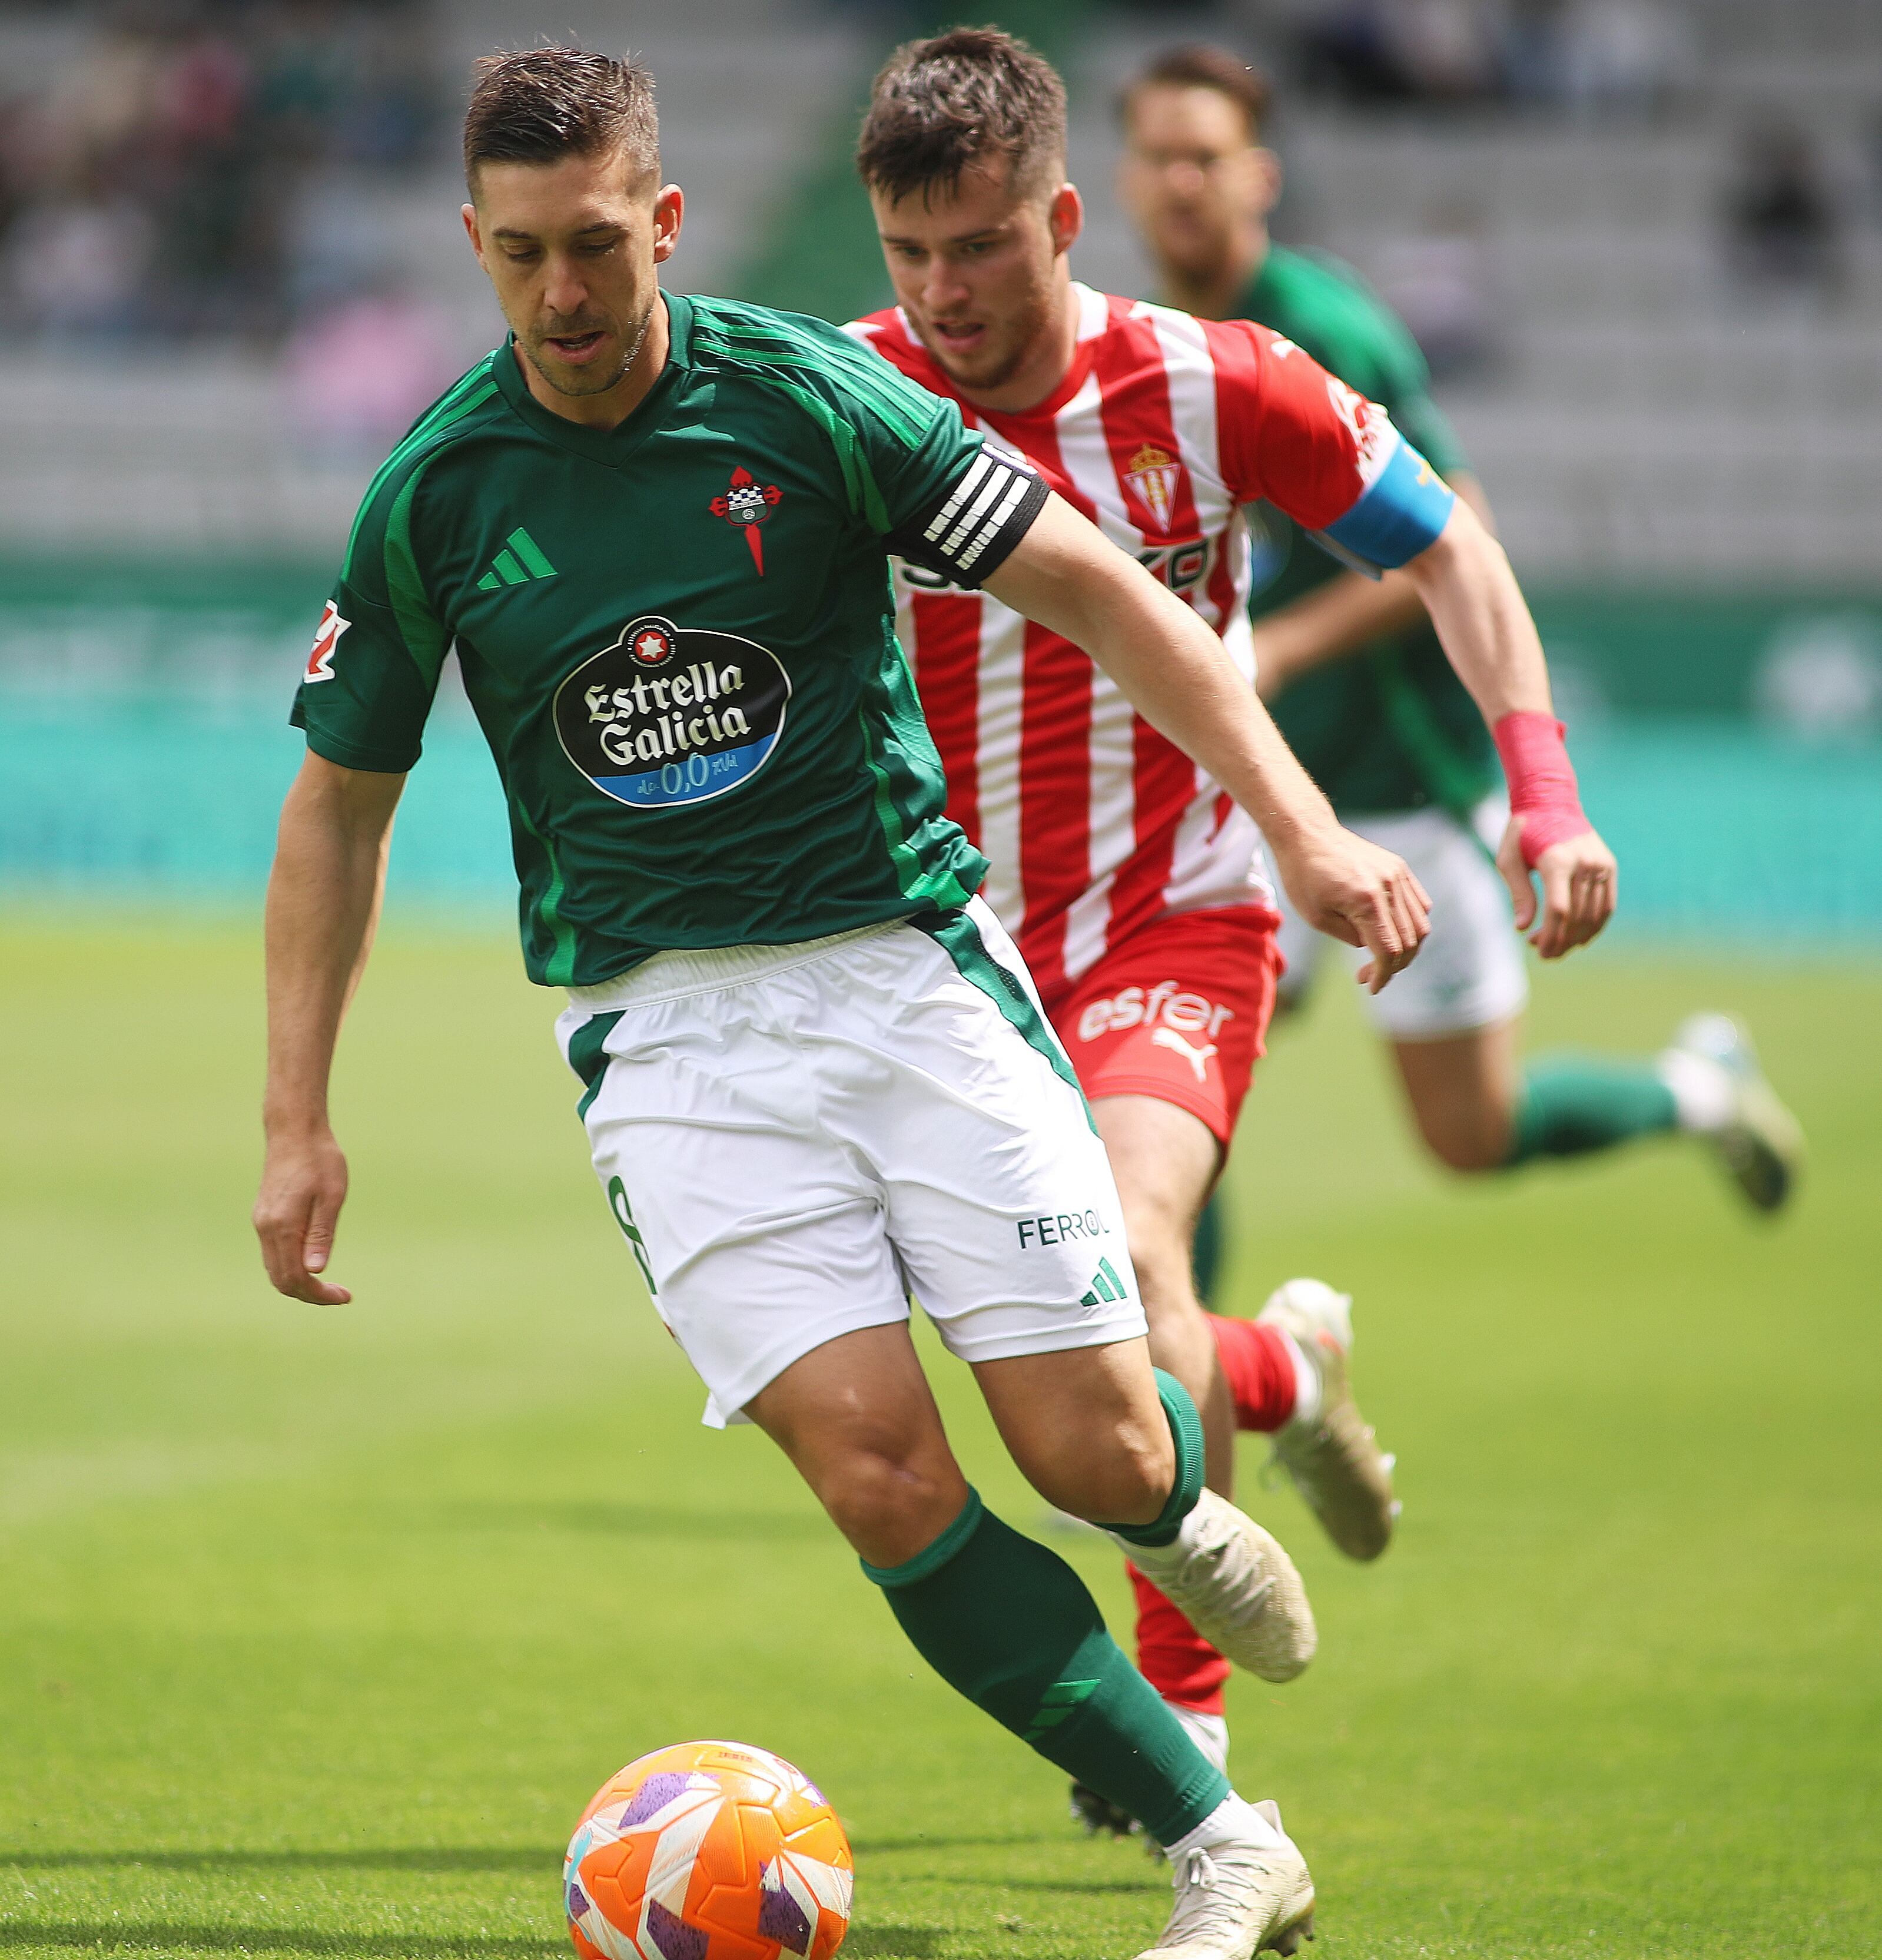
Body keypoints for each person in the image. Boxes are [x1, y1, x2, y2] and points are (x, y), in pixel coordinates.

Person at [250, 45, 1445, 1960]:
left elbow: (1105, 590)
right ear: (476, 246)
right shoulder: (437, 494)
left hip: (901, 978)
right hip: (661, 1045)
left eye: (594, 247)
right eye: (520, 255)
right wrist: (295, 1114)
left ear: (663, 222)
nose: (562, 295)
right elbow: (337, 808)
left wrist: (1295, 828)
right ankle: (1220, 1841)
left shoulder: (809, 397)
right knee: (882, 1477)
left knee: (1095, 1456)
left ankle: (1206, 1463)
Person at [842, 26, 1615, 1849]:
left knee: (1113, 1261)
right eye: (907, 257)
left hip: (1175, 920)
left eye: (979, 248)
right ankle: (1288, 1371)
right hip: (955, 954)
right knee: (1047, 1343)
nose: (942, 296)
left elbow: (1447, 545)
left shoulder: (1213, 380)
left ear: (1059, 215)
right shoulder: (853, 398)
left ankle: (1184, 1764)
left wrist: (1544, 787)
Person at [1116, 43, 1801, 1226]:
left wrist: (1277, 652)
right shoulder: (1145, 341)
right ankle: (1187, 1387)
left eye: (1207, 158)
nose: (1182, 181)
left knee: (1466, 1133)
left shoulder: (1324, 329)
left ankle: (1697, 1090)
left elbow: (1459, 532)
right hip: (1247, 781)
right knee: (1159, 1080)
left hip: (1396, 775)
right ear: (1122, 180)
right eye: (1160, 157)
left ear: (1259, 177)